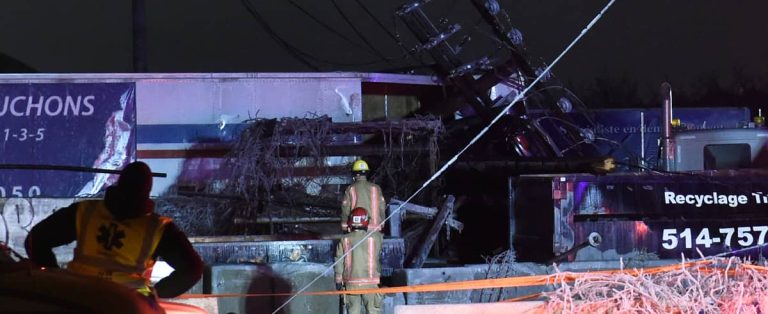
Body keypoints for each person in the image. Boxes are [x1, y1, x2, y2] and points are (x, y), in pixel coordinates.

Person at [25, 161, 204, 310]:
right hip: (128, 304)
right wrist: (159, 292)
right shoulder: (158, 228)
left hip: (79, 299)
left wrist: (56, 278)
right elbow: (193, 270)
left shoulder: (85, 212)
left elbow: (36, 239)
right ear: (147, 192)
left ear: (119, 183)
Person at [335, 207, 383, 314]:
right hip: (371, 284)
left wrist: (338, 280)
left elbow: (339, 261)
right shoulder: (376, 237)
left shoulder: (344, 239)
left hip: (351, 285)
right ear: (366, 221)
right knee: (373, 312)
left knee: (352, 312)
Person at [341, 159, 387, 232]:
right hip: (375, 230)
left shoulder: (350, 189)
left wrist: (345, 227)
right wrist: (382, 223)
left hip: (356, 229)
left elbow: (345, 210)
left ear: (356, 174)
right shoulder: (376, 188)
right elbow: (382, 207)